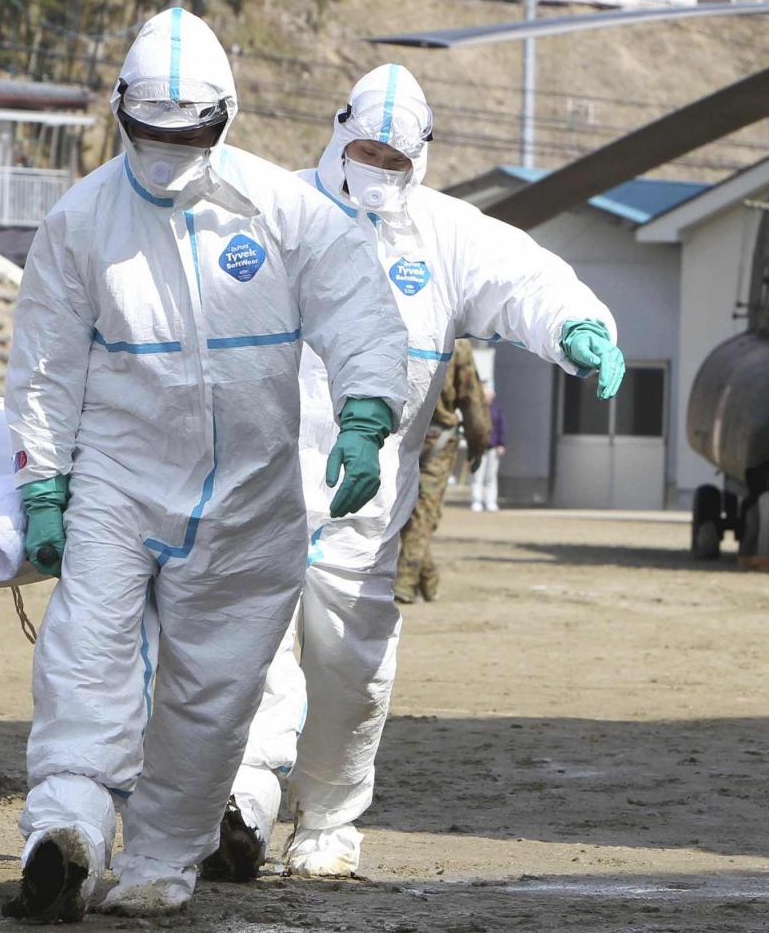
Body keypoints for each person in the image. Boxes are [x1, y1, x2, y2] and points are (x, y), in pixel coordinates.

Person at [1, 9, 408, 922]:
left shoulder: (289, 212)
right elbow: (43, 367)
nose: (168, 150)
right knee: (84, 658)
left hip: (251, 499)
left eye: (190, 134)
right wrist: (42, 481)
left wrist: (366, 413)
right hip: (117, 482)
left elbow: (359, 310)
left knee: (213, 697)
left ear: (226, 118)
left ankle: (157, 863)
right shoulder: (81, 224)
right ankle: (63, 834)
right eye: (151, 133)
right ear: (122, 116)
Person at [219, 63, 625, 882]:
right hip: (252, 488)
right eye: (366, 148)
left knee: (353, 673)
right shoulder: (269, 208)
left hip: (365, 508)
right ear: (338, 131)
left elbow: (525, 280)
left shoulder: (446, 236)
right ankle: (242, 804)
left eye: (395, 159)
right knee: (242, 657)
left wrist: (579, 324)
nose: (377, 167)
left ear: (422, 159)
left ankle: (328, 824)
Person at [394, 341, 490, 604]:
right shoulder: (458, 344)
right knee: (421, 511)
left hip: (402, 434)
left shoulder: (398, 327)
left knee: (413, 510)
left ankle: (416, 578)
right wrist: (478, 442)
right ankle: (414, 579)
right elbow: (472, 397)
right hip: (434, 437)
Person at [468, 385, 507, 513]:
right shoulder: (477, 408)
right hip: (479, 447)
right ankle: (476, 500)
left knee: (491, 476)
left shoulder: (497, 409)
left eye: (490, 394)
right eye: (486, 394)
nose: (488, 396)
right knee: (478, 475)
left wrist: (501, 444)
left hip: (493, 447)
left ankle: (491, 501)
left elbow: (501, 427)